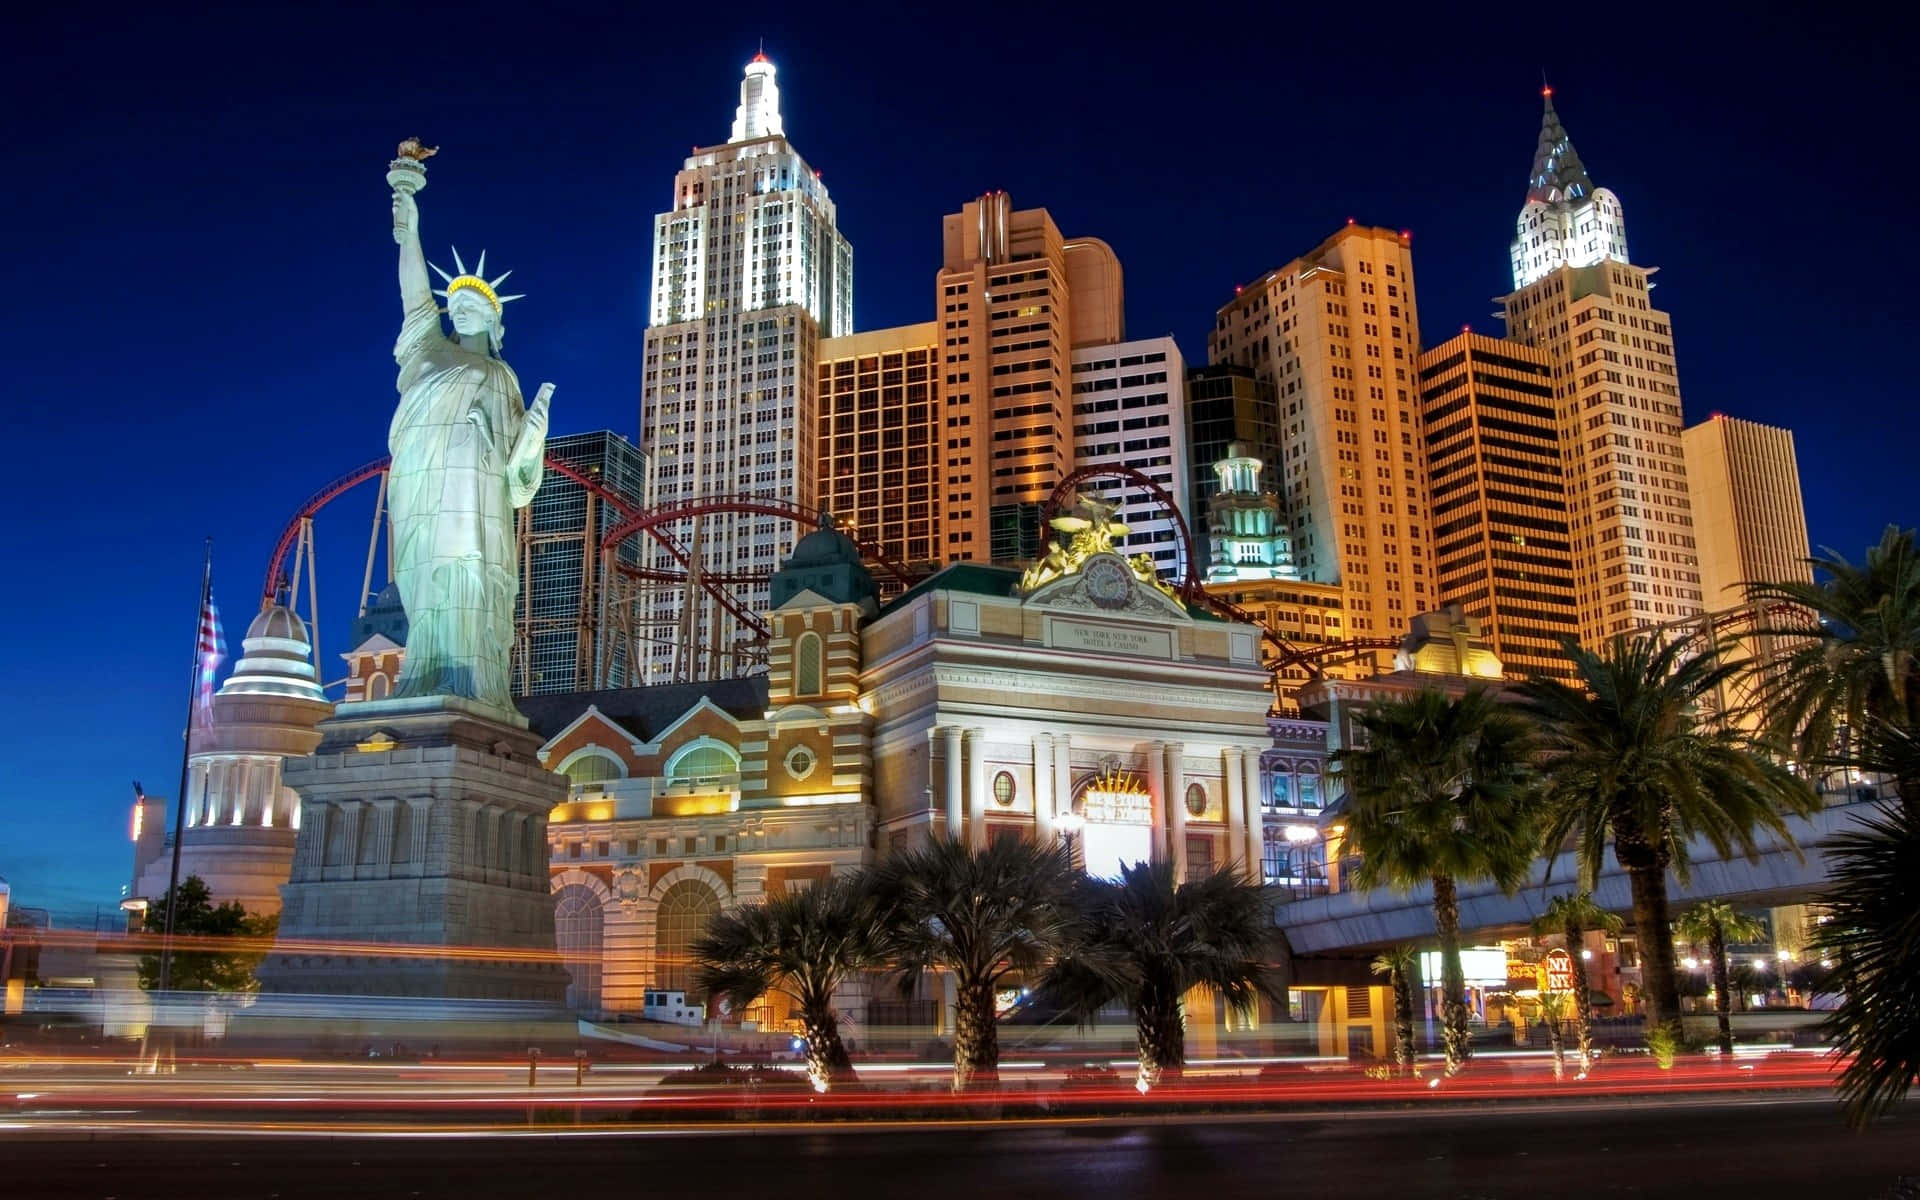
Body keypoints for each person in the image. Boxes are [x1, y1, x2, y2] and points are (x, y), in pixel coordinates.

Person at [385, 177, 552, 710]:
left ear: (495, 320)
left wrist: (535, 436)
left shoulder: (502, 377)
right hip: (420, 485)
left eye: (472, 305)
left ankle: (472, 682)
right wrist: (410, 228)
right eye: (454, 303)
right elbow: (414, 294)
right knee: (425, 579)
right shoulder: (429, 349)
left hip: (476, 499)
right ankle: (425, 672)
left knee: (471, 575)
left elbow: (518, 476)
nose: (459, 308)